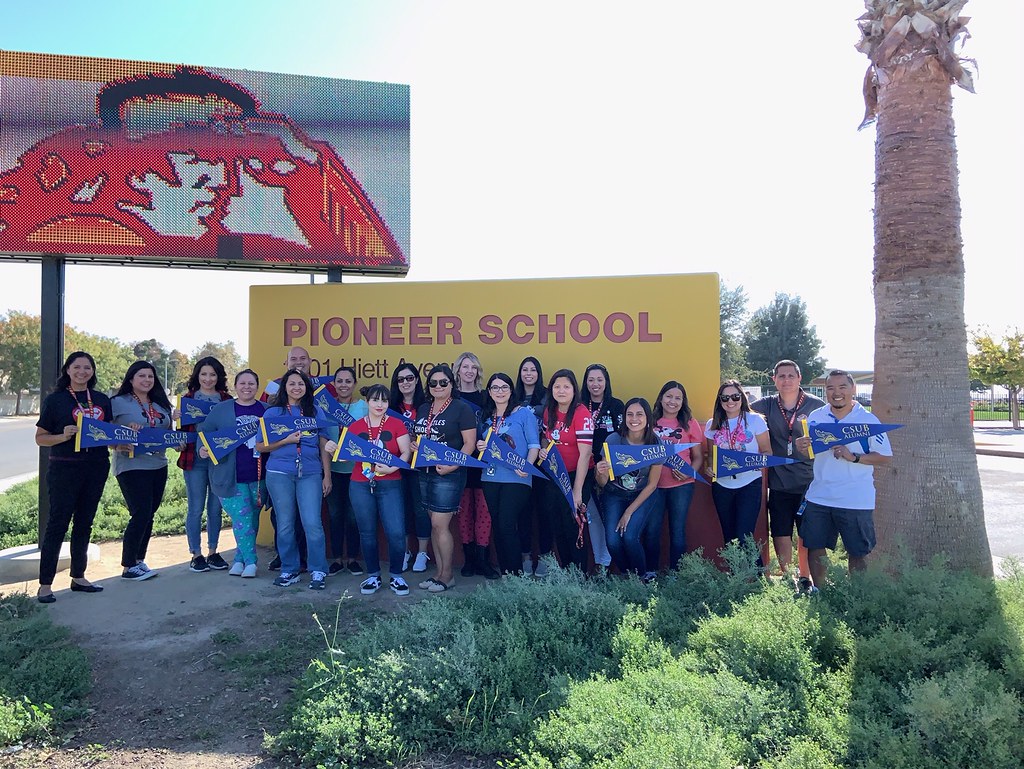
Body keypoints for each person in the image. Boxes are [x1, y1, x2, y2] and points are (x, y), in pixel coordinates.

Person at [794, 369, 892, 590]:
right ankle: (821, 593)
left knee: (858, 553)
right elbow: (809, 452)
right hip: (820, 496)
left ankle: (857, 597)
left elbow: (885, 456)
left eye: (842, 387)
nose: (836, 393)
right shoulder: (816, 417)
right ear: (825, 391)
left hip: (855, 499)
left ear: (852, 389)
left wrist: (853, 457)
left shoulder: (868, 420)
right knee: (815, 546)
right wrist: (802, 447)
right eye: (830, 388)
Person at [34, 351, 112, 603]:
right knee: (58, 523)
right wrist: (63, 436)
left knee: (85, 522)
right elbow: (40, 438)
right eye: (77, 367)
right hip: (64, 469)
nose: (82, 372)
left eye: (87, 367)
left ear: (93, 371)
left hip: (96, 467)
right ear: (68, 370)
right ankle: (45, 585)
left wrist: (125, 439)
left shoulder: (101, 399)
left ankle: (79, 576)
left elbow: (109, 434)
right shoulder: (55, 400)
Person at [256, 369, 336, 590]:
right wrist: (285, 440)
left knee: (312, 523)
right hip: (280, 473)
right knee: (285, 525)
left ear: (306, 387)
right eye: (292, 384)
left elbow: (323, 445)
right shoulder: (273, 414)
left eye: (301, 384)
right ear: (285, 387)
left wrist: (326, 475)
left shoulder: (316, 412)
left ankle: (318, 570)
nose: (296, 388)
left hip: (310, 473)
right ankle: (289, 570)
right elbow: (261, 446)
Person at [751, 360, 824, 584]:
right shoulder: (765, 406)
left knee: (808, 533)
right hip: (779, 481)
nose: (786, 380)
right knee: (781, 530)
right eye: (781, 376)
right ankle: (789, 576)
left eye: (791, 375)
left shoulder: (816, 405)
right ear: (774, 380)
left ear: (799, 378)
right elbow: (738, 411)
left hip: (810, 481)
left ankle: (806, 576)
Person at [413, 363, 477, 593]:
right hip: (425, 472)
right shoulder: (423, 409)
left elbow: (469, 444)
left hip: (449, 475)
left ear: (452, 384)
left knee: (440, 524)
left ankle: (448, 575)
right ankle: (438, 573)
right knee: (433, 525)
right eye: (433, 382)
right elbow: (420, 439)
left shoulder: (461, 408)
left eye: (443, 382)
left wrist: (453, 466)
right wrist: (415, 446)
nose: (438, 386)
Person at [197, 369, 267, 577]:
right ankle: (252, 562)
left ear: (257, 386)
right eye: (242, 383)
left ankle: (239, 559)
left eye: (251, 383)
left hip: (259, 475)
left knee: (252, 520)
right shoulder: (222, 410)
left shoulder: (267, 410)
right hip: (229, 476)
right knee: (242, 518)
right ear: (236, 386)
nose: (247, 387)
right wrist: (203, 448)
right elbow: (205, 432)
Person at [111, 361, 175, 581]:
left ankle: (139, 560)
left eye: (150, 376)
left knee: (150, 514)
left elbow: (169, 433)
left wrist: (177, 442)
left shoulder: (161, 405)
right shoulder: (118, 403)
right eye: (141, 376)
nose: (147, 380)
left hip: (159, 464)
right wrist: (122, 437)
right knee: (141, 512)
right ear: (131, 379)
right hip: (131, 465)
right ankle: (128, 565)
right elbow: (104, 434)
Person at [348, 384, 413, 596]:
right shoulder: (356, 427)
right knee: (367, 532)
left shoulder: (396, 424)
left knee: (395, 532)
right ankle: (373, 576)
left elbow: (405, 453)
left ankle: (396, 575)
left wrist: (393, 466)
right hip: (360, 483)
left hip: (391, 482)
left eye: (384, 401)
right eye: (375, 400)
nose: (379, 404)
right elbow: (347, 452)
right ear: (366, 402)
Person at [476, 373, 541, 575]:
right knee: (497, 524)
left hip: (517, 477)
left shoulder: (523, 414)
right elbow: (482, 446)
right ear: (489, 392)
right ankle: (506, 574)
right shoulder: (486, 416)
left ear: (511, 390)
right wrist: (480, 445)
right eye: (495, 388)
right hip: (490, 477)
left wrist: (527, 466)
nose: (500, 391)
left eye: (504, 387)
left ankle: (516, 575)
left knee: (506, 523)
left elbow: (534, 445)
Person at [595, 398, 664, 580]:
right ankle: (628, 575)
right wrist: (600, 472)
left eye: (640, 414)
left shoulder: (655, 443)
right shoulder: (613, 440)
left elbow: (652, 484)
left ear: (648, 418)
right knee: (612, 540)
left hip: (642, 495)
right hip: (614, 494)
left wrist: (628, 512)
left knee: (630, 537)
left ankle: (642, 577)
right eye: (630, 414)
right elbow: (602, 483)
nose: (634, 419)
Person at [175, 356, 232, 573]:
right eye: (204, 374)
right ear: (197, 376)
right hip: (194, 461)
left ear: (219, 377)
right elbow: (179, 435)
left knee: (216, 508)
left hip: (220, 461)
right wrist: (176, 420)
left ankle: (213, 552)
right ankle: (196, 554)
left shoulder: (227, 400)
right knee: (196, 508)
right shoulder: (187, 400)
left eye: (212, 374)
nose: (208, 379)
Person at [704, 380, 771, 560]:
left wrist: (758, 462)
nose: (730, 401)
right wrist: (709, 467)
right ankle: (735, 582)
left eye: (735, 396)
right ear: (720, 400)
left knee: (744, 536)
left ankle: (757, 581)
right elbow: (710, 455)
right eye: (725, 397)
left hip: (749, 484)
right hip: (722, 486)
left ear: (742, 397)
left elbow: (767, 452)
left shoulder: (755, 420)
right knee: (729, 537)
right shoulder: (713, 424)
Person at [537, 369, 594, 572]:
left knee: (573, 526)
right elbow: (545, 436)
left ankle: (580, 575)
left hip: (576, 477)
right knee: (558, 526)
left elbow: (585, 454)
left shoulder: (581, 413)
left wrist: (577, 491)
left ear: (574, 390)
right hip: (554, 477)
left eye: (566, 387)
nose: (561, 390)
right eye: (557, 386)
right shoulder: (549, 411)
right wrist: (544, 449)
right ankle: (567, 574)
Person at [647, 380, 705, 572]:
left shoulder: (690, 423)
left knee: (677, 531)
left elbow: (698, 458)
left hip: (682, 486)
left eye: (678, 398)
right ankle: (651, 573)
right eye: (669, 396)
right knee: (652, 531)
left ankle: (676, 575)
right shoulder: (650, 422)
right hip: (653, 486)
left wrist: (689, 472)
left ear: (683, 401)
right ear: (661, 399)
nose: (673, 401)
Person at [452, 351, 497, 579]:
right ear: (457, 370)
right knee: (464, 512)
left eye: (474, 367)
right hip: (459, 462)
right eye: (465, 366)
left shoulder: (486, 398)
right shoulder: (450, 396)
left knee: (483, 511)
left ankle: (483, 560)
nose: (469, 371)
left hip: (482, 462)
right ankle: (469, 559)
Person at [324, 366, 368, 576]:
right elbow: (322, 439)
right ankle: (337, 559)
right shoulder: (325, 407)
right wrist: (326, 475)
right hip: (332, 470)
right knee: (335, 516)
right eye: (339, 381)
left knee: (353, 516)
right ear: (334, 384)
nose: (343, 385)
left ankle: (352, 559)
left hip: (356, 472)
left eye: (348, 381)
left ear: (354, 384)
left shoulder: (364, 407)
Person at [581, 363, 624, 573]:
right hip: (584, 469)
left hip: (611, 470)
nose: (595, 384)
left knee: (609, 516)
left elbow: (624, 438)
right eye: (591, 380)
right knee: (593, 518)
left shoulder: (616, 406)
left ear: (606, 382)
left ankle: (607, 563)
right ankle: (600, 562)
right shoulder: (579, 405)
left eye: (599, 379)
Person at [389, 363, 430, 573]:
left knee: (421, 509)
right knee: (401, 509)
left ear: (416, 380)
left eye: (409, 378)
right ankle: (405, 551)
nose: (405, 382)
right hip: (395, 466)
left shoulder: (427, 405)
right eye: (401, 379)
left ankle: (422, 552)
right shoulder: (390, 407)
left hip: (420, 466)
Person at [513, 356, 547, 575]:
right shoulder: (512, 395)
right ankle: (525, 557)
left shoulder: (546, 395)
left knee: (544, 512)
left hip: (542, 462)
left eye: (533, 370)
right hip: (517, 464)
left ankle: (543, 557)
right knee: (523, 513)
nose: (528, 373)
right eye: (524, 369)